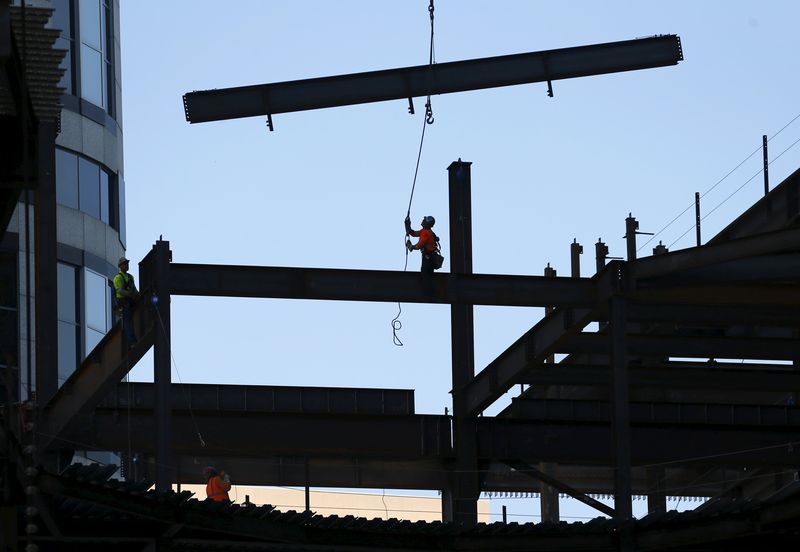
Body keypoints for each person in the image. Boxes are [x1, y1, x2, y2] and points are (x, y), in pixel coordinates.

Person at [113, 256, 138, 346]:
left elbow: (134, 289)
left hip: (130, 299)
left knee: (131, 319)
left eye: (127, 264)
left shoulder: (130, 277)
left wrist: (138, 295)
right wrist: (129, 294)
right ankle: (132, 342)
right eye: (124, 264)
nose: (126, 265)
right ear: (120, 266)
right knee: (128, 321)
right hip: (123, 301)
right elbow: (119, 291)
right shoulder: (118, 277)